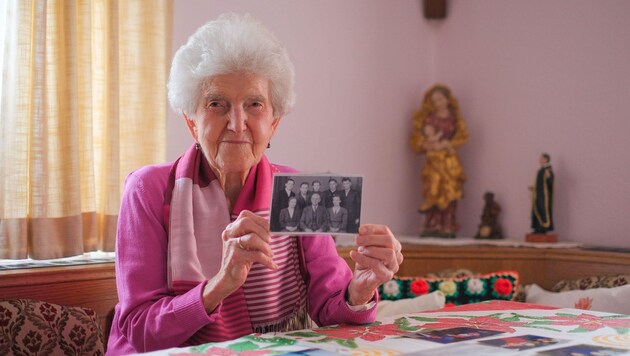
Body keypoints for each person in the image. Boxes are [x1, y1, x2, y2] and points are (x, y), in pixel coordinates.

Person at [106, 14, 402, 355]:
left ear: (273, 123)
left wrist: (360, 290)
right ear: (191, 122)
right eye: (217, 104)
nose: (236, 124)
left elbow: (330, 308)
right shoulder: (148, 190)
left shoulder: (297, 191)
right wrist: (219, 285)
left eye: (254, 104)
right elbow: (140, 330)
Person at [409, 84, 468, 237]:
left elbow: (462, 136)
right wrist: (428, 144)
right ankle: (433, 223)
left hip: (449, 162)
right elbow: (418, 141)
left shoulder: (455, 119)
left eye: (440, 99)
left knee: (449, 191)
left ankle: (447, 224)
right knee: (432, 189)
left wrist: (448, 144)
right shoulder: (429, 119)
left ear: (448, 99)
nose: (438, 103)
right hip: (433, 162)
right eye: (434, 101)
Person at [530, 153, 554, 234]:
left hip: (544, 196)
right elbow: (539, 183)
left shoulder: (548, 170)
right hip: (538, 194)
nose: (540, 160)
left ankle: (543, 228)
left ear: (546, 160)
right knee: (537, 209)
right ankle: (537, 228)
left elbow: (551, 183)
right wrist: (534, 188)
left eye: (541, 158)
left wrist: (549, 177)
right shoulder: (540, 170)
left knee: (543, 210)